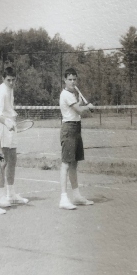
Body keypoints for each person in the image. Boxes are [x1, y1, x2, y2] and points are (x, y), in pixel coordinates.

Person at [58, 68, 96, 210]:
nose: (73, 82)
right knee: (66, 163)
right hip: (69, 129)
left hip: (76, 127)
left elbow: (77, 108)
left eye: (75, 79)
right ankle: (63, 198)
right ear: (65, 80)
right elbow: (79, 110)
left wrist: (80, 103)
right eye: (70, 79)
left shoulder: (72, 94)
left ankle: (76, 196)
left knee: (74, 164)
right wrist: (88, 106)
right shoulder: (66, 94)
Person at [0, 67, 29, 206]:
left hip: (10, 126)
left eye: (14, 80)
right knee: (2, 162)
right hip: (2, 127)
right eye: (9, 80)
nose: (12, 82)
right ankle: (2, 197)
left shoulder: (11, 89)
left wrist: (10, 122)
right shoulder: (0, 92)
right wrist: (7, 122)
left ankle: (11, 194)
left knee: (12, 159)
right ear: (3, 79)